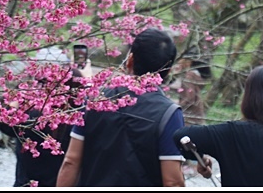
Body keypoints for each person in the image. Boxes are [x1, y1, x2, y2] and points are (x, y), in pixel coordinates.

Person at [56, 28, 185, 187]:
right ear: (168, 71)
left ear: (130, 60)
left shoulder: (95, 99)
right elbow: (173, 182)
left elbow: (71, 161)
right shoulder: (170, 114)